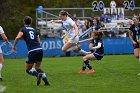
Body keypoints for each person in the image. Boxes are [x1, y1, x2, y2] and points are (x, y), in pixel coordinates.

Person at [13, 16, 50, 86]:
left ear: (24, 22)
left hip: (32, 50)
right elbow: (39, 41)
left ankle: (37, 74)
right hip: (39, 49)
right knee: (38, 67)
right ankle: (46, 82)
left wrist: (14, 46)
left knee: (28, 69)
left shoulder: (23, 29)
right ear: (31, 22)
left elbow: (17, 37)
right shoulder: (34, 30)